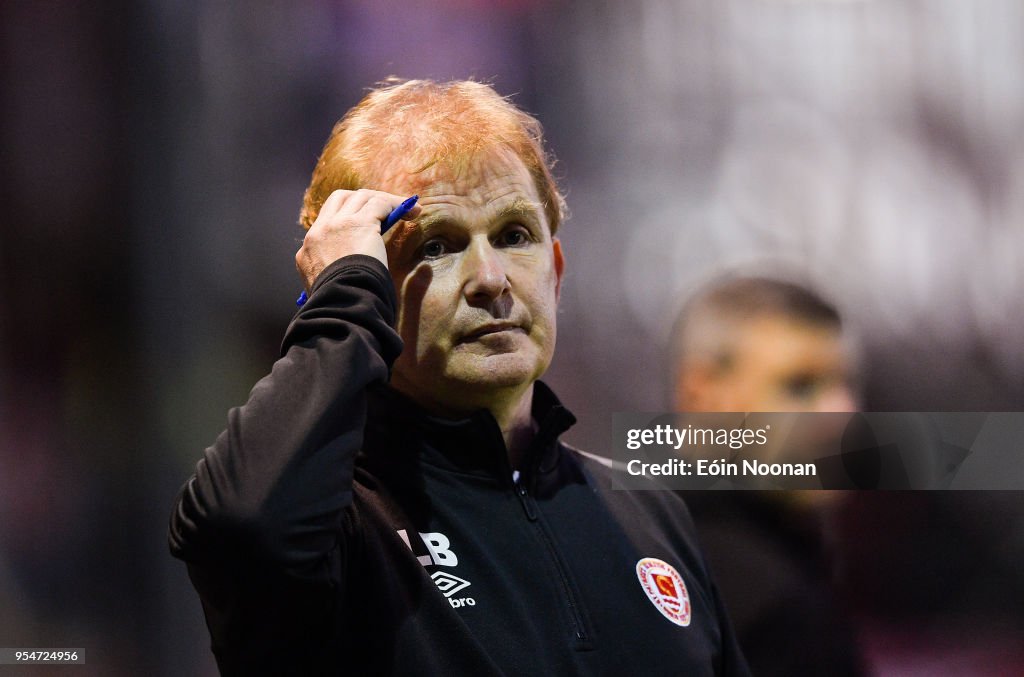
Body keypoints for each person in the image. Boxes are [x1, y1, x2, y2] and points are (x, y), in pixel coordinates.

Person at [169, 79, 749, 675]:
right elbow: (239, 528)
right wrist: (340, 304)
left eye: (514, 235)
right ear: (364, 285)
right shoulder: (341, 522)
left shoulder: (651, 513)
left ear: (554, 270)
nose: (490, 278)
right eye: (437, 246)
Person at [669, 274, 867, 677]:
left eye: (845, 383)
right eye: (800, 386)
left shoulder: (635, 540)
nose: (840, 413)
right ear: (702, 395)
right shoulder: (766, 607)